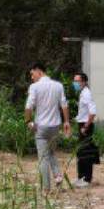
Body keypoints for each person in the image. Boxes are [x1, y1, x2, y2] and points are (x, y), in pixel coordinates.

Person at [24, 63, 70, 191]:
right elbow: (64, 105)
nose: (32, 77)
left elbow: (28, 106)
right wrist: (67, 122)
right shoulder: (58, 86)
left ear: (39, 71)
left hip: (41, 127)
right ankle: (58, 177)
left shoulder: (34, 87)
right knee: (51, 153)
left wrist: (28, 121)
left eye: (32, 74)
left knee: (43, 158)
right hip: (55, 125)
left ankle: (46, 188)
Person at [73, 72, 99, 188]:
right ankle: (81, 177)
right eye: (74, 81)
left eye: (77, 81)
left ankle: (87, 179)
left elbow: (92, 113)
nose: (75, 83)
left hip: (86, 126)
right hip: (82, 124)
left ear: (83, 82)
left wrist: (85, 127)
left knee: (86, 153)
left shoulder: (87, 94)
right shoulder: (82, 93)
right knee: (80, 152)